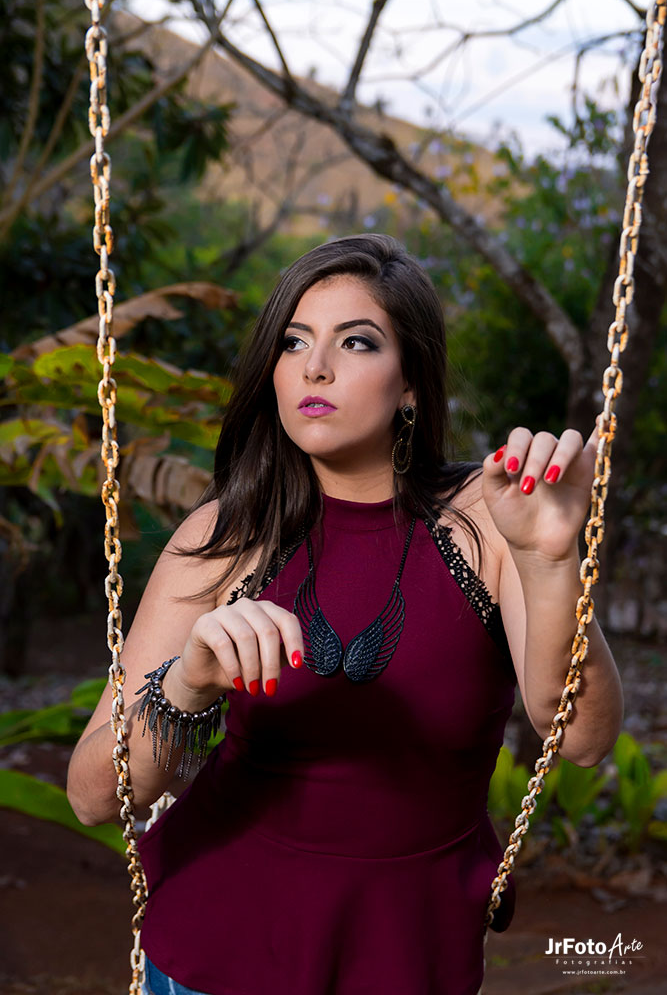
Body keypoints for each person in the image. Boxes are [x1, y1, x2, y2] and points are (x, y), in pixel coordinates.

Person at [67, 233, 624, 995]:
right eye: (293, 342)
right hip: (215, 948)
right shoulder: (225, 536)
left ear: (411, 384)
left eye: (355, 342)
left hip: (407, 953)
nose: (314, 367)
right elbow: (94, 796)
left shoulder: (490, 520)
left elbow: (583, 741)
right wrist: (186, 683)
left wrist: (552, 561)